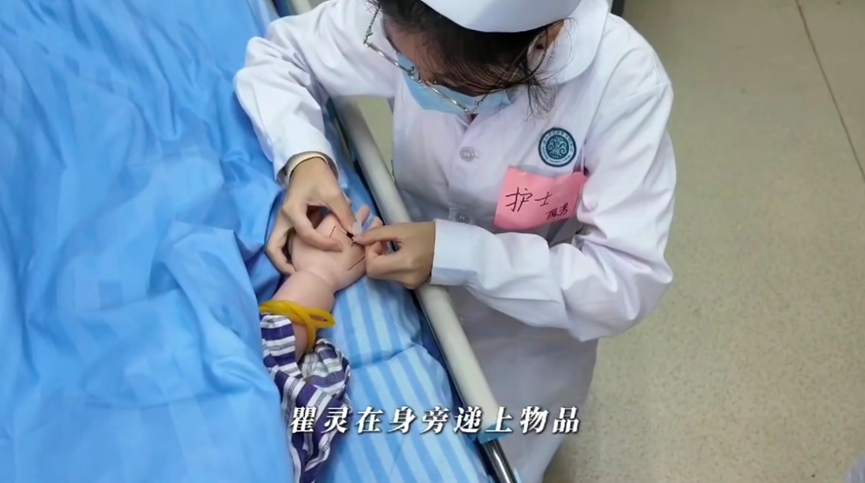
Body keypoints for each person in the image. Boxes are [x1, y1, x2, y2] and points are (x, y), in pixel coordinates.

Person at [234, 0, 676, 480]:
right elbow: (282, 54)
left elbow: (624, 280)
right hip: (406, 296)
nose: (421, 86)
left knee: (502, 457)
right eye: (409, 70)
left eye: (452, 86)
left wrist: (456, 254)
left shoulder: (621, 81)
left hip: (527, 335)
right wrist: (305, 159)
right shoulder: (408, 15)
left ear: (543, 40)